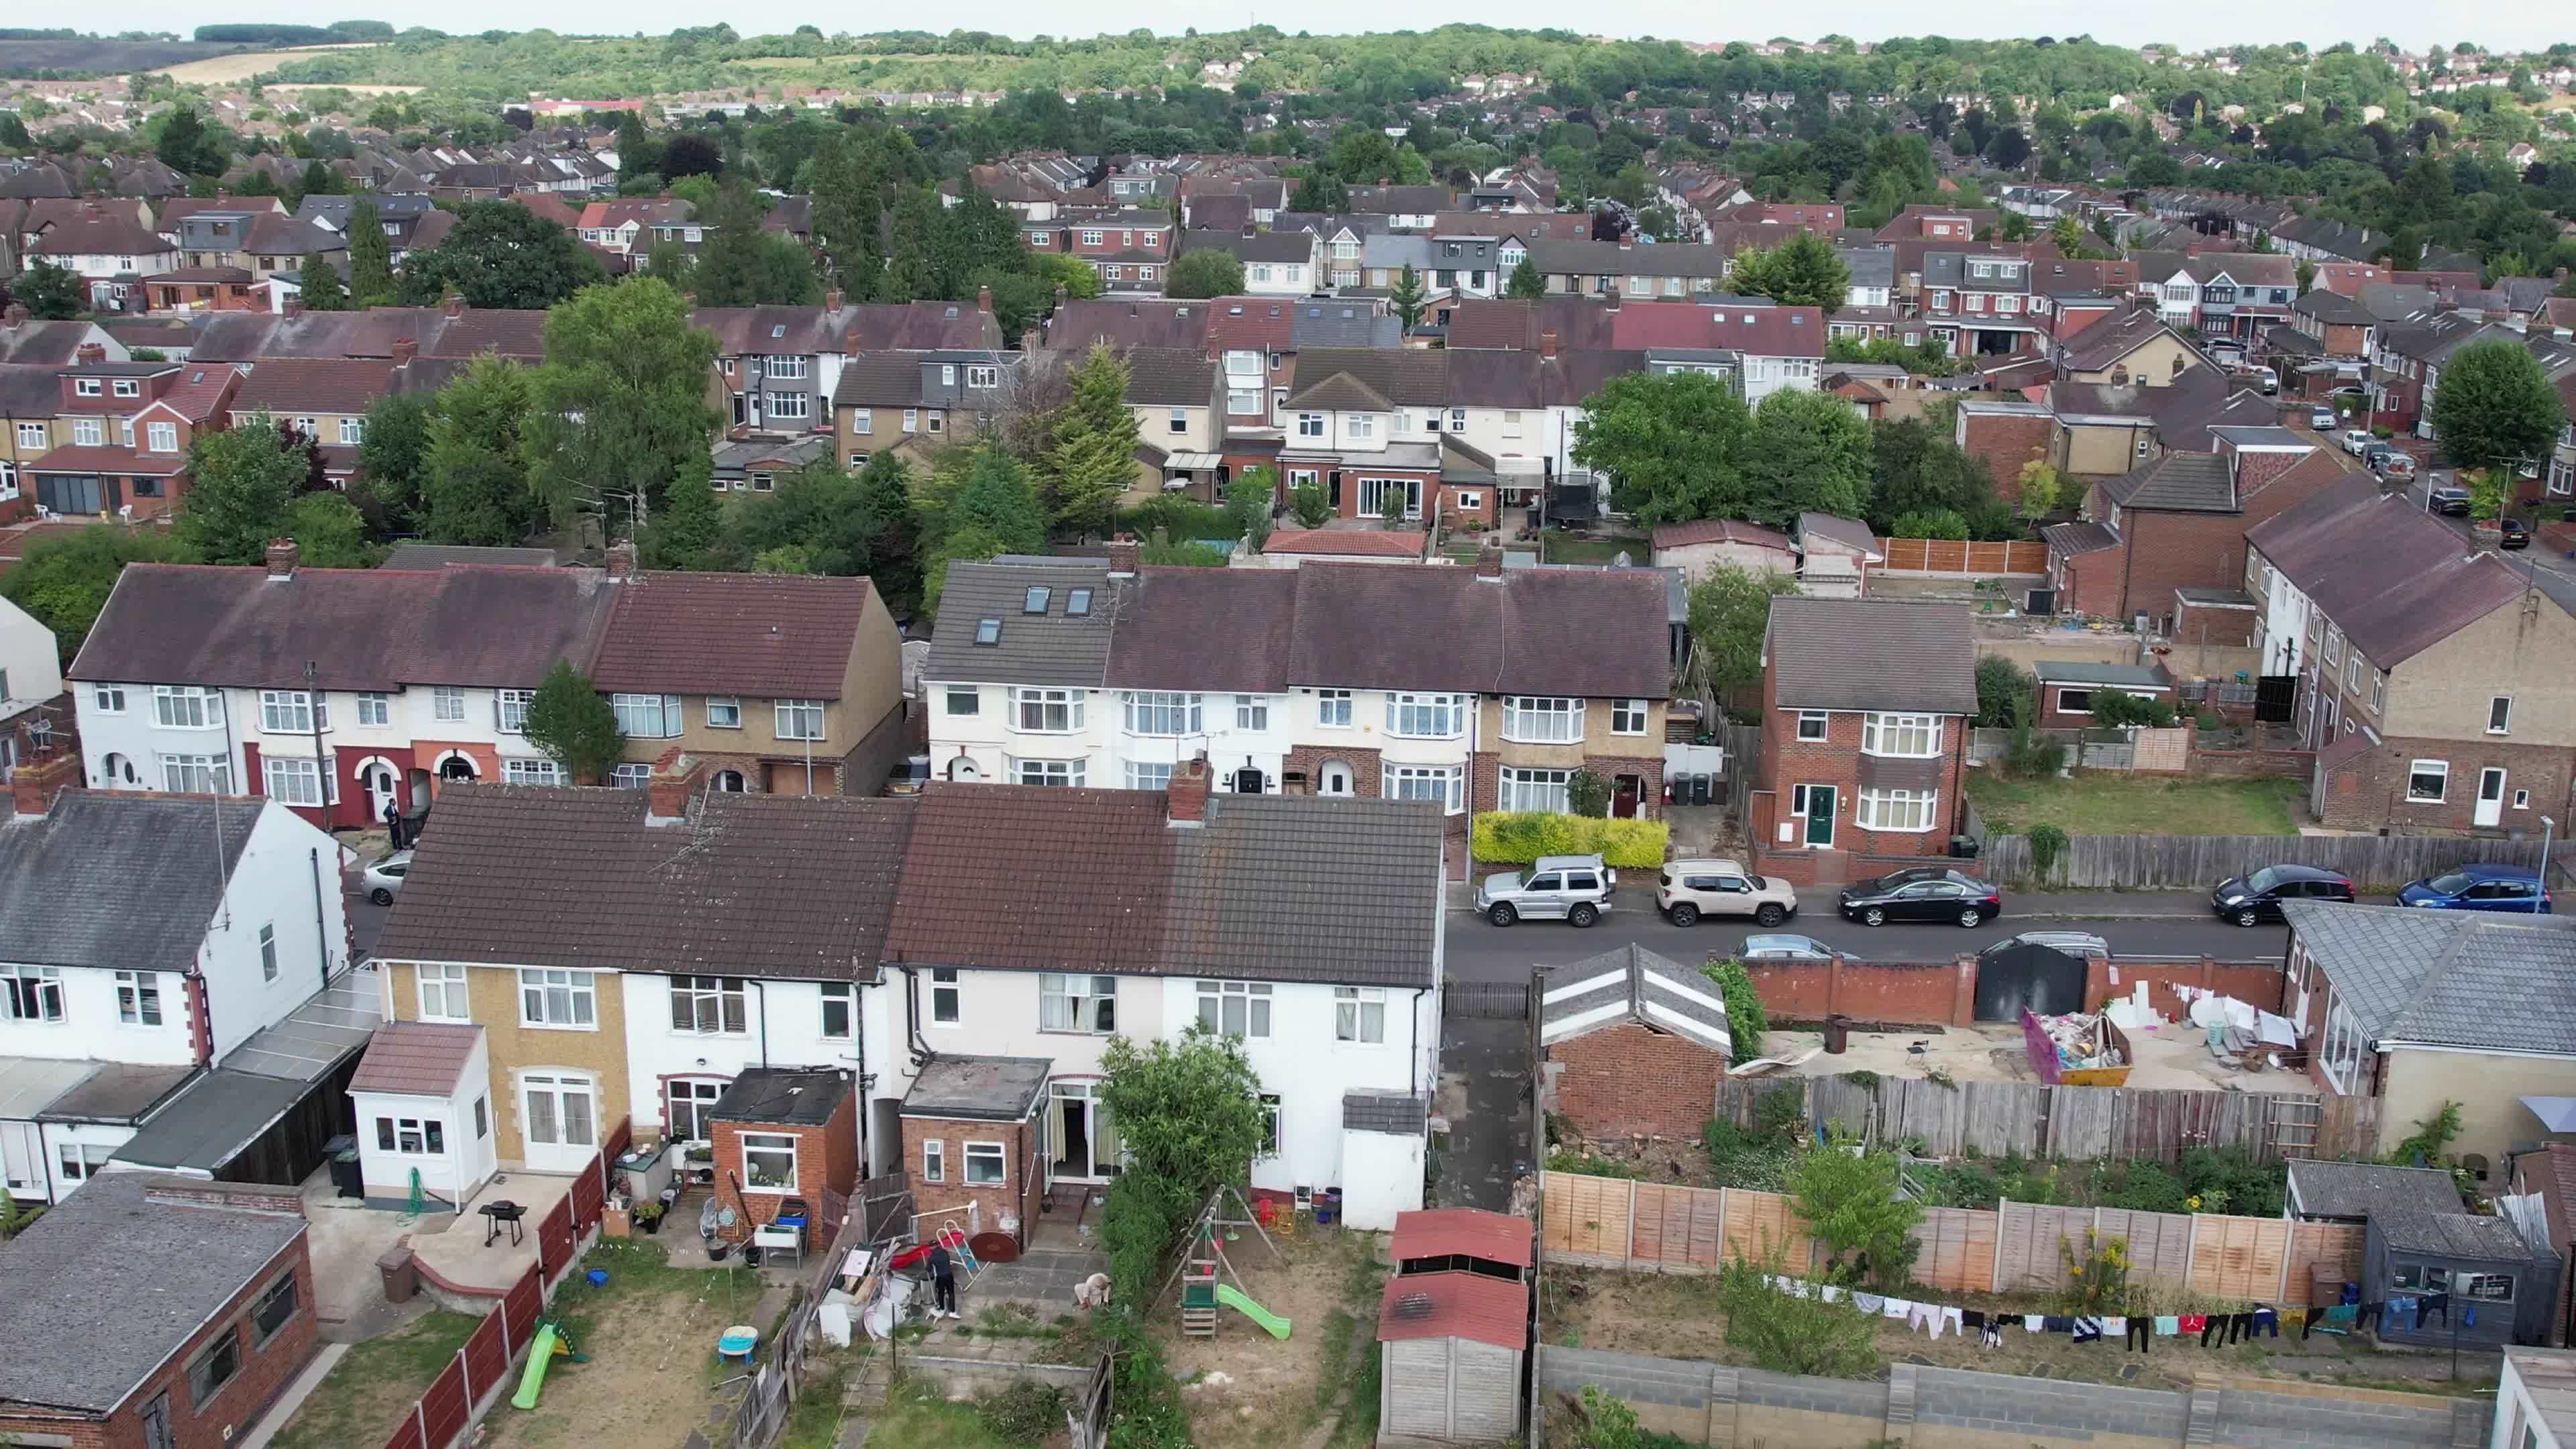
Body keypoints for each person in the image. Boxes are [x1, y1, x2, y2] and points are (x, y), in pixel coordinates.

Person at [928, 1241, 957, 1319]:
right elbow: (948, 1262)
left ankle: (942, 1309)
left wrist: (928, 1266)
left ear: (931, 1247)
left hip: (940, 1277)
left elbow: (929, 1269)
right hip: (949, 1275)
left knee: (941, 1293)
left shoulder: (931, 1257)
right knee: (951, 1293)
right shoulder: (945, 1252)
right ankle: (953, 1312)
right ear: (938, 1245)